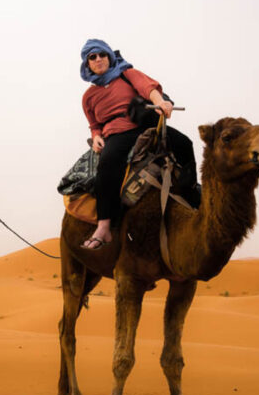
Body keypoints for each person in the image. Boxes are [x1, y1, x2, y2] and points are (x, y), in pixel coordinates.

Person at [79, 38, 198, 250]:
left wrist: (161, 102)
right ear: (87, 64)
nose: (98, 59)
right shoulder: (88, 97)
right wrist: (96, 136)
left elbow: (148, 88)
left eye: (102, 54)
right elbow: (94, 124)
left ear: (109, 56)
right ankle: (104, 226)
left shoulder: (126, 74)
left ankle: (192, 193)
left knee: (184, 144)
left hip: (144, 125)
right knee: (106, 167)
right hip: (116, 134)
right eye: (92, 57)